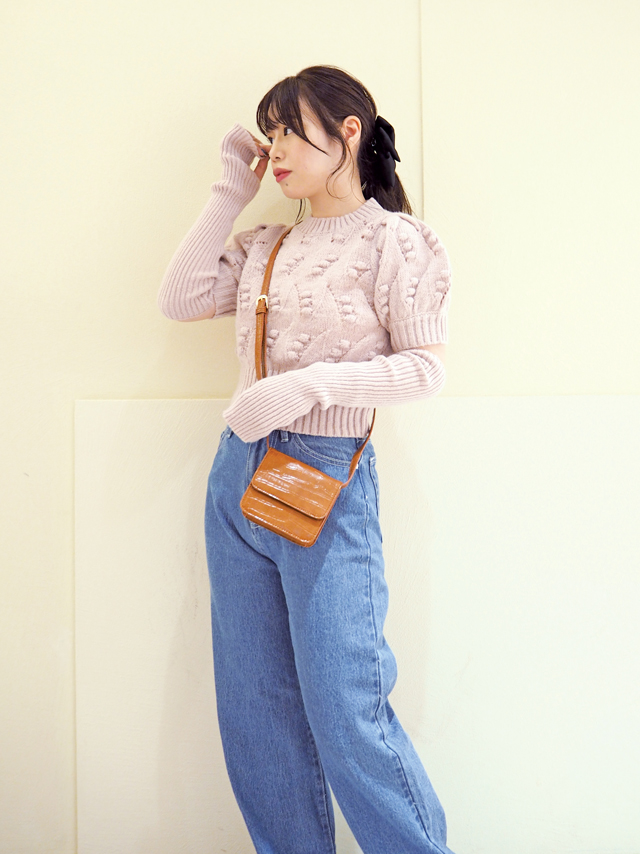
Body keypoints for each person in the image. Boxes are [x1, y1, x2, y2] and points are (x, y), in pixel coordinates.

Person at [158, 64, 454, 854]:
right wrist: (231, 190)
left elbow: (425, 369)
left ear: (348, 133)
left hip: (326, 474)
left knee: (346, 708)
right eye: (272, 133)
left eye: (292, 130)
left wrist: (305, 388)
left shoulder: (394, 240)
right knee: (255, 714)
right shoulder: (269, 242)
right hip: (238, 477)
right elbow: (179, 297)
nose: (279, 148)